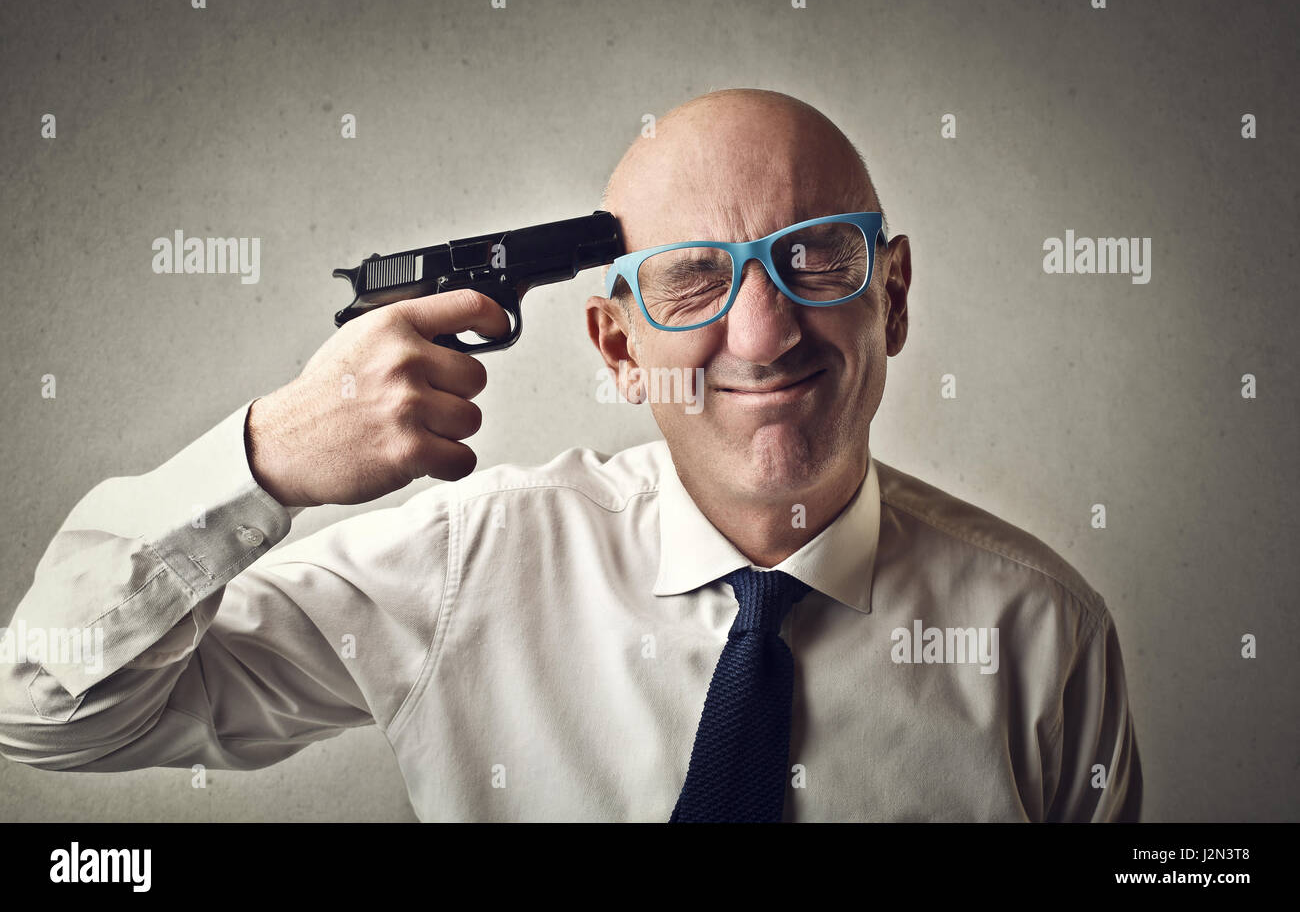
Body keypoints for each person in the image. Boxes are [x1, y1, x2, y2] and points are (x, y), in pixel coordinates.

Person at [0, 88, 1141, 821]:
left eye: (816, 256)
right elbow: (47, 709)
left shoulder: (1046, 638)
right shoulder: (467, 568)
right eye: (694, 276)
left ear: (890, 298)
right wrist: (265, 460)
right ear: (615, 344)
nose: (764, 329)